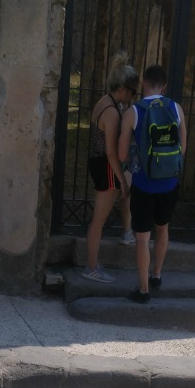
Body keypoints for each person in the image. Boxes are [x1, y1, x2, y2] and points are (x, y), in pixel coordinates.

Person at [119, 64, 187, 302]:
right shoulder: (176, 109)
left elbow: (121, 154)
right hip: (169, 184)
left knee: (142, 237)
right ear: (164, 86)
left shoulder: (134, 112)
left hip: (144, 185)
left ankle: (143, 289)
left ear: (143, 83)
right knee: (163, 228)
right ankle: (157, 274)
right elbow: (182, 148)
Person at [82, 52, 139, 283]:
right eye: (133, 92)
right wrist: (122, 182)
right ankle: (92, 267)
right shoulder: (113, 112)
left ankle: (96, 261)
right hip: (106, 165)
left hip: (97, 162)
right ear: (123, 89)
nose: (133, 97)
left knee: (99, 217)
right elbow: (111, 152)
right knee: (99, 219)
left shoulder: (103, 101)